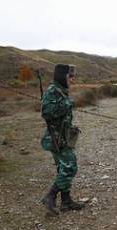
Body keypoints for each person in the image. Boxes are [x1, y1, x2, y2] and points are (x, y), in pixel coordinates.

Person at [40, 64, 85, 215]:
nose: (72, 79)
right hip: (56, 138)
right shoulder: (52, 90)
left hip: (63, 136)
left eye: (73, 76)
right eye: (70, 76)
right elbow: (46, 112)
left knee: (62, 167)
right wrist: (68, 103)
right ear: (62, 76)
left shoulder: (60, 90)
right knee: (70, 167)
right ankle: (50, 196)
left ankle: (66, 201)